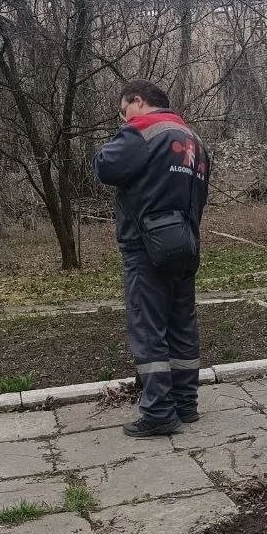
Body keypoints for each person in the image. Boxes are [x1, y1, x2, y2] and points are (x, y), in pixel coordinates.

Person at [94, 80, 210, 438]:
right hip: (186, 242)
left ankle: (159, 412)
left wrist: (125, 129)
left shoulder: (142, 130)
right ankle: (185, 403)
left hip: (146, 246)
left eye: (123, 109)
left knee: (148, 327)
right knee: (181, 324)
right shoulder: (194, 139)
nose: (123, 116)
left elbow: (104, 166)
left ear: (138, 101)